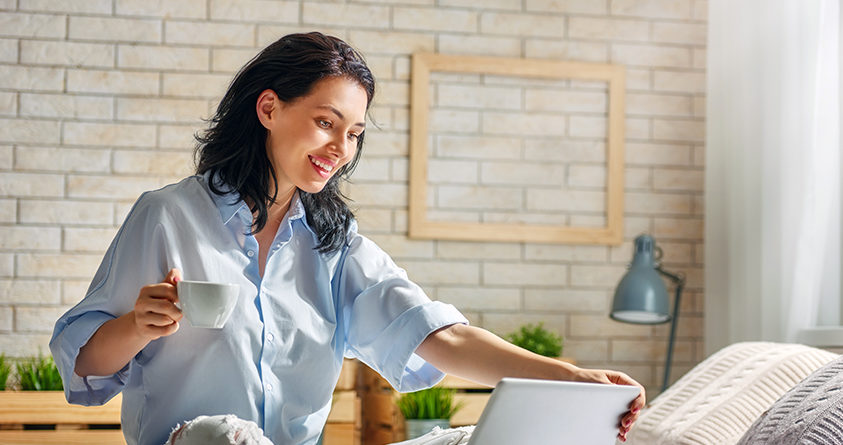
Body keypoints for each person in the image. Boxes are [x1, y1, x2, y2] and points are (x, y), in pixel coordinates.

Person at [50, 32, 645, 445]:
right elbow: (81, 365)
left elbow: (441, 335)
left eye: (354, 133)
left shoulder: (334, 243)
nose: (341, 147)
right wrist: (135, 325)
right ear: (268, 108)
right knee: (219, 436)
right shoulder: (167, 216)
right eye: (326, 122)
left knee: (477, 439)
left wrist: (572, 378)